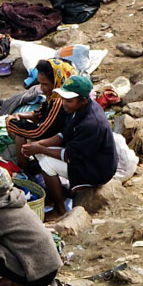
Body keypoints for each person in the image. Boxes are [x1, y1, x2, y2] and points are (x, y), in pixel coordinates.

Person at [27, 74, 119, 219]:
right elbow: (63, 135)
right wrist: (38, 144)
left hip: (98, 169)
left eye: (69, 100)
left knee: (46, 162)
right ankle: (54, 195)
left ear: (83, 100)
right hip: (86, 157)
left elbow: (70, 155)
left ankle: (60, 209)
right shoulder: (78, 109)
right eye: (63, 99)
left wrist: (40, 148)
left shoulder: (91, 123)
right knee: (39, 153)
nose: (64, 103)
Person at [6, 58, 69, 168]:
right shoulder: (52, 97)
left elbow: (40, 132)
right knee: (20, 129)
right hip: (50, 133)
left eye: (45, 84)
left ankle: (26, 170)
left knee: (20, 136)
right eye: (40, 83)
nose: (42, 89)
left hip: (60, 141)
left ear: (56, 82)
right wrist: (19, 115)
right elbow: (38, 114)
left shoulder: (59, 101)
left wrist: (12, 123)